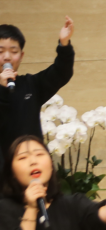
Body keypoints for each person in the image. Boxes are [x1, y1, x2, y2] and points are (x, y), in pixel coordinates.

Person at [0, 18, 76, 156]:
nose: (7, 57)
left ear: (21, 56)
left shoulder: (31, 85)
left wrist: (64, 45)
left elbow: (60, 72)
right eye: (0, 51)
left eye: (14, 51)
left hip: (32, 163)